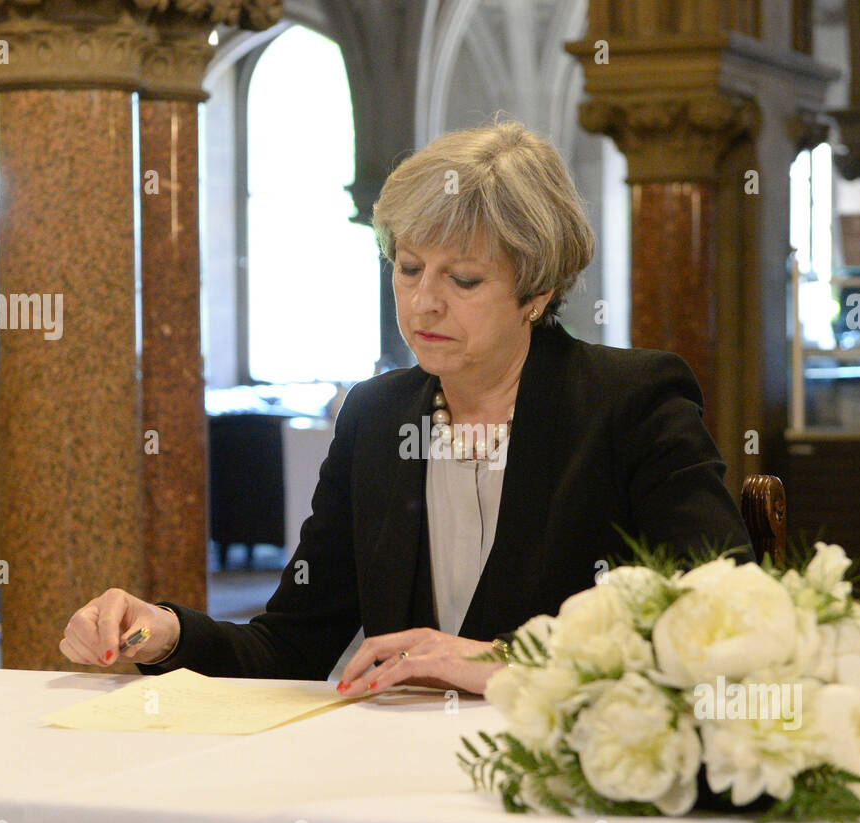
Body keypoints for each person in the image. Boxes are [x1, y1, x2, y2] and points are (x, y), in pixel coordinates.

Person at [59, 119, 752, 695]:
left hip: (568, 776)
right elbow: (293, 643)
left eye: (465, 278)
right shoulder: (377, 416)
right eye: (409, 266)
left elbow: (724, 615)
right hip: (404, 780)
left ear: (537, 291)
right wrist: (167, 631)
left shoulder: (630, 402)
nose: (424, 302)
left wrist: (504, 662)